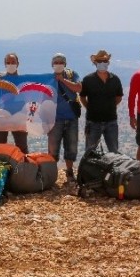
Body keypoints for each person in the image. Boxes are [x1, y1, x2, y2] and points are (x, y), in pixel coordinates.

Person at [80, 49, 124, 153]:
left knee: (114, 151)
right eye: (100, 61)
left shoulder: (115, 79)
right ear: (95, 63)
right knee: (90, 152)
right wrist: (91, 108)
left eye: (105, 61)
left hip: (111, 121)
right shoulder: (87, 79)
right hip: (93, 122)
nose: (102, 63)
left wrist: (110, 106)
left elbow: (119, 97)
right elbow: (82, 97)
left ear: (108, 63)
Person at [47, 53, 82, 181]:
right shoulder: (48, 78)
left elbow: (78, 88)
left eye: (61, 62)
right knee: (53, 149)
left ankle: (70, 172)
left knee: (71, 147)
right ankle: (52, 175)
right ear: (52, 65)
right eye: (56, 62)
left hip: (71, 117)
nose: (58, 64)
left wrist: (62, 80)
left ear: (65, 64)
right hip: (55, 119)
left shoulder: (72, 75)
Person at [0, 52, 28, 153]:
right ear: (5, 64)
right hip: (1, 118)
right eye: (8, 62)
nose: (10, 64)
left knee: (22, 148)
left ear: (18, 64)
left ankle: (23, 163)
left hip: (19, 118)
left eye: (13, 62)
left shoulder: (24, 80)